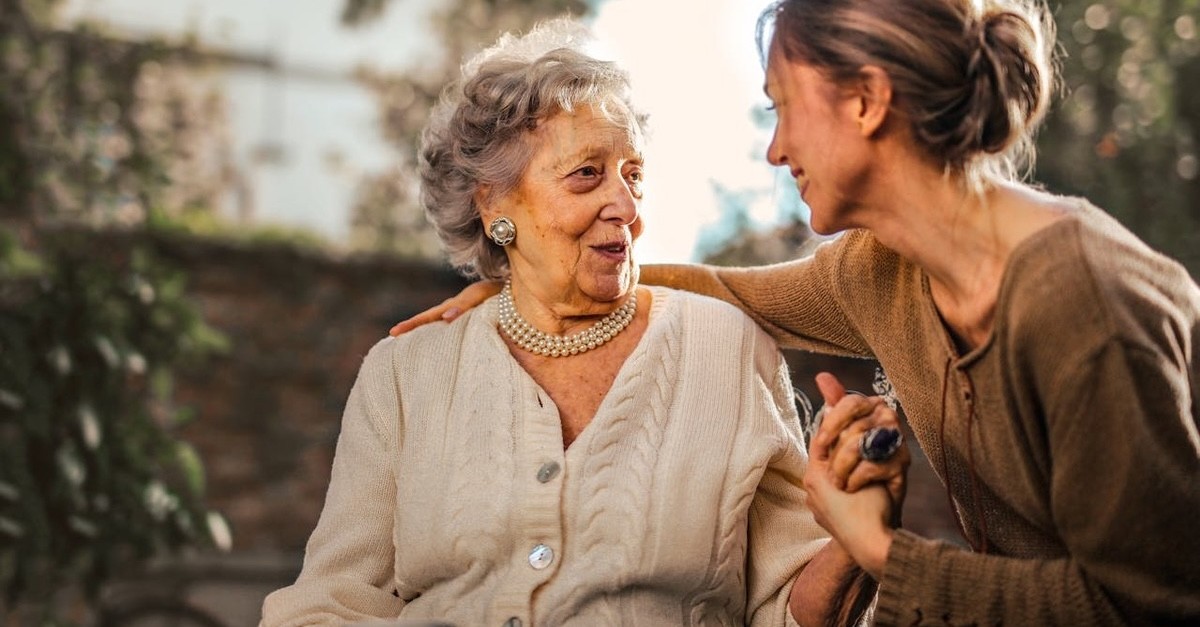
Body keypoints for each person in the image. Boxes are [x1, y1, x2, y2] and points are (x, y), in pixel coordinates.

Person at [393, 1, 1200, 625]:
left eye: (782, 106)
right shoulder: (882, 270)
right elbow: (728, 289)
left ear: (867, 101)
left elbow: (1150, 603)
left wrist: (877, 546)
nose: (775, 149)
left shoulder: (1081, 303)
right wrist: (534, 282)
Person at [261, 18, 910, 627]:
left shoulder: (727, 349)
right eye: (587, 175)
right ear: (494, 204)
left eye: (634, 175)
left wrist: (854, 538)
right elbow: (330, 604)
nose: (625, 206)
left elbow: (788, 610)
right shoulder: (406, 372)